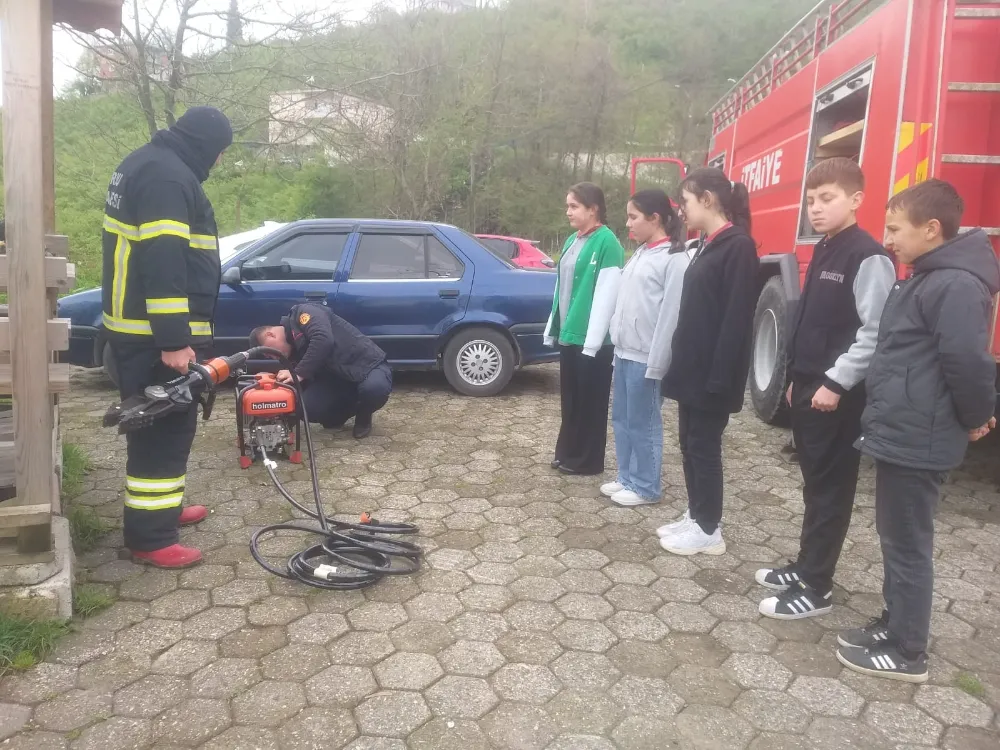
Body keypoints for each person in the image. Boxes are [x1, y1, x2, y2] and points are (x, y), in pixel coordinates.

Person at [836, 179, 999, 683]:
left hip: (921, 435)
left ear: (932, 229)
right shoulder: (928, 275)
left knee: (908, 542)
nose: (888, 240)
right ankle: (894, 623)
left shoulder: (955, 285)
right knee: (895, 535)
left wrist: (977, 417)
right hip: (905, 428)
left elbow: (968, 363)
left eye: (895, 230)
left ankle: (908, 650)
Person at [756, 158, 895, 620]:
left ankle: (817, 587)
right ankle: (805, 565)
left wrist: (835, 381)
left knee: (832, 489)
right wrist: (796, 378)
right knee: (814, 486)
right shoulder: (826, 248)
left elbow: (875, 331)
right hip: (809, 389)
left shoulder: (869, 255)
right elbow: (812, 323)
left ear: (856, 199)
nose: (815, 208)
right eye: (811, 200)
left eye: (827, 198)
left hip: (838, 396)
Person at [102, 106, 233, 569]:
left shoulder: (149, 163)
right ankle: (151, 540)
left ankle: (165, 511)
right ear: (206, 146)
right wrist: (175, 339)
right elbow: (163, 261)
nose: (217, 163)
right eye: (219, 154)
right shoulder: (168, 178)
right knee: (163, 428)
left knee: (165, 426)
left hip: (138, 330)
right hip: (153, 336)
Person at [657, 168, 759, 556]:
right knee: (688, 443)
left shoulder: (738, 247)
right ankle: (696, 513)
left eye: (685, 201)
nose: (681, 210)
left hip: (712, 376)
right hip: (691, 369)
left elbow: (735, 320)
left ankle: (709, 527)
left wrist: (719, 377)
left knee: (704, 446)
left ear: (708, 200)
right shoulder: (707, 244)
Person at [601, 189, 689, 506]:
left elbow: (671, 317)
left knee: (644, 422)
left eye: (634, 217)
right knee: (622, 418)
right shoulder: (641, 252)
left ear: (655, 219)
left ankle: (646, 485)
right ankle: (626, 475)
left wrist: (659, 361)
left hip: (646, 357)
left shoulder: (674, 259)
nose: (628, 223)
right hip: (625, 351)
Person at [545, 183, 625, 476]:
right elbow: (561, 287)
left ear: (593, 209)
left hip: (594, 340)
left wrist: (592, 339)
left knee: (591, 402)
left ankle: (588, 461)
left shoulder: (608, 243)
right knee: (571, 399)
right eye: (568, 206)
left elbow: (607, 294)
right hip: (570, 334)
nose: (568, 212)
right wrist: (554, 324)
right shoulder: (571, 240)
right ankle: (567, 452)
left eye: (574, 206)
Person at [249, 303, 392, 439]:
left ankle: (364, 415)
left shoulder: (303, 313)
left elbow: (323, 339)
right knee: (307, 408)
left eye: (270, 352)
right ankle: (340, 415)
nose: (273, 357)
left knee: (374, 389)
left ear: (270, 335)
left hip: (365, 364)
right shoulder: (288, 352)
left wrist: (298, 373)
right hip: (336, 379)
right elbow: (299, 385)